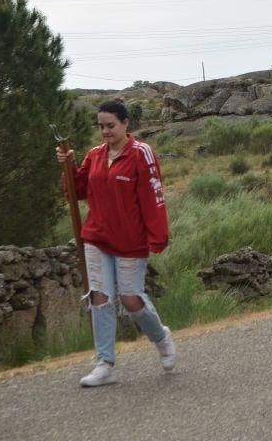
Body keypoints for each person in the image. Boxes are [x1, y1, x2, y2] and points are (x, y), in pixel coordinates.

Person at [55, 99, 175, 387]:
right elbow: (78, 191)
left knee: (131, 299)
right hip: (96, 237)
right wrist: (69, 167)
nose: (105, 132)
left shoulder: (141, 154)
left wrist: (158, 236)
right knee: (100, 296)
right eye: (101, 127)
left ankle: (161, 337)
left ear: (125, 124)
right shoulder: (95, 155)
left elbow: (153, 195)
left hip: (131, 241)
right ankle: (104, 363)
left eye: (111, 126)